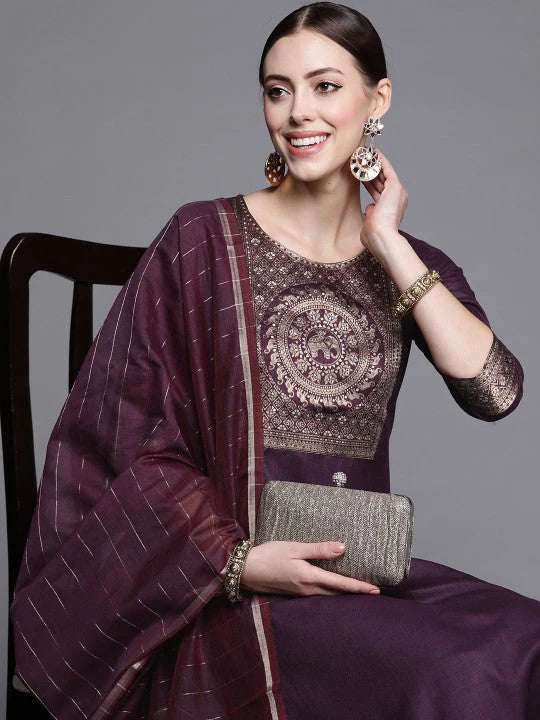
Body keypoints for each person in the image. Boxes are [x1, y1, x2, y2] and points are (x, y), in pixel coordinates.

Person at [9, 2, 540, 718]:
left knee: (526, 643)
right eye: (277, 90)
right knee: (458, 673)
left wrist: (388, 241)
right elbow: (127, 440)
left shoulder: (412, 264)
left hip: (357, 570)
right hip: (223, 581)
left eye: (325, 86)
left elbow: (496, 392)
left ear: (378, 99)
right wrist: (237, 560)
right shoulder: (201, 238)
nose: (297, 113)